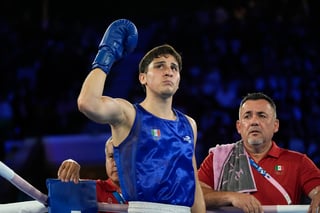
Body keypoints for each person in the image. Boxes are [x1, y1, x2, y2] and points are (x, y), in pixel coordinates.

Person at [77, 18, 205, 213]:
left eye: (174, 67)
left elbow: (192, 184)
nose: (168, 71)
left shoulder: (189, 124)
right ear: (142, 78)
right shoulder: (128, 114)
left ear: (179, 80)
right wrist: (106, 54)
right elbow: (88, 103)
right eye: (160, 66)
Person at [198, 92, 320, 213]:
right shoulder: (218, 159)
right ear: (239, 127)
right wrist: (231, 197)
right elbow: (195, 194)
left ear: (275, 125)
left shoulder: (298, 162)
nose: (254, 121)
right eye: (247, 116)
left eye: (262, 116)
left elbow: (318, 191)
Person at [57, 137, 127, 213]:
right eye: (111, 156)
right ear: (105, 159)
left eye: (121, 156)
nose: (116, 163)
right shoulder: (94, 189)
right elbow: (63, 194)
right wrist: (68, 168)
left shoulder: (141, 192)